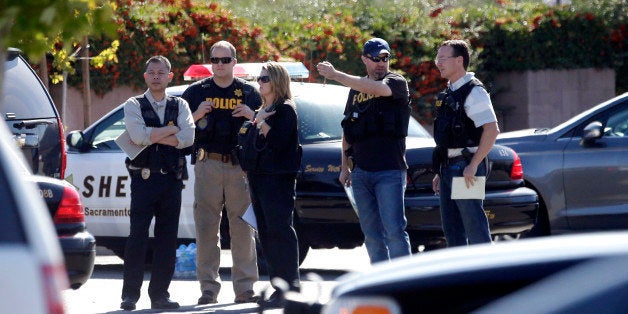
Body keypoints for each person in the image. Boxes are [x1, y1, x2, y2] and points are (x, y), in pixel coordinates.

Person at [317, 38, 412, 264]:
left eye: (385, 58)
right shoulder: (355, 92)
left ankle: (406, 284)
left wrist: (335, 75)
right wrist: (344, 168)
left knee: (395, 231)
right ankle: (381, 282)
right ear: (364, 59)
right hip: (360, 173)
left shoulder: (396, 81)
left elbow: (377, 89)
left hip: (389, 171)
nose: (381, 63)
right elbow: (347, 130)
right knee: (371, 234)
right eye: (376, 59)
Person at [181, 40, 261, 305]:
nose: (219, 65)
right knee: (206, 228)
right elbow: (180, 129)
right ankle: (208, 288)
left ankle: (245, 288)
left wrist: (253, 114)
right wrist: (195, 114)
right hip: (207, 163)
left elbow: (267, 126)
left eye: (225, 60)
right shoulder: (195, 92)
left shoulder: (249, 92)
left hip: (240, 165)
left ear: (234, 62)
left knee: (242, 228)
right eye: (214, 60)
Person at [120, 55, 195, 311]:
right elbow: (137, 136)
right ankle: (130, 295)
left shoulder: (181, 104)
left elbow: (188, 139)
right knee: (137, 238)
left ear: (169, 76)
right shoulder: (133, 104)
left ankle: (160, 295)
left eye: (160, 72)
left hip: (171, 180)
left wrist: (153, 135)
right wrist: (171, 130)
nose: (155, 76)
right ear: (145, 76)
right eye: (151, 72)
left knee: (167, 239)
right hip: (143, 179)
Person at [243, 61, 302, 309]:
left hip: (277, 179)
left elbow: (279, 142)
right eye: (259, 78)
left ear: (277, 81)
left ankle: (291, 286)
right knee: (265, 233)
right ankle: (278, 285)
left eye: (264, 78)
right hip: (258, 177)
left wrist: (259, 120)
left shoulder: (285, 110)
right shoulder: (264, 108)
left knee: (280, 230)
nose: (260, 82)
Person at [431, 39, 500, 247]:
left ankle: (485, 277)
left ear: (459, 60)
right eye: (437, 59)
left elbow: (491, 130)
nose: (438, 63)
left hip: (465, 168)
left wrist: (473, 165)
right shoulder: (449, 92)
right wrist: (439, 172)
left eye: (443, 58)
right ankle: (460, 278)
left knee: (474, 226)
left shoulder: (474, 91)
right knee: (452, 230)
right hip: (448, 168)